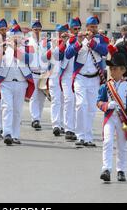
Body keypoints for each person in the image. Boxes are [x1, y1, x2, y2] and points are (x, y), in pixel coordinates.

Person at [66, 16, 109, 148]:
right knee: (80, 104)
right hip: (80, 77)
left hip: (95, 78)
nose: (93, 29)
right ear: (87, 27)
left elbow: (105, 51)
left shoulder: (101, 39)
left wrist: (92, 43)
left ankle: (88, 137)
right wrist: (79, 43)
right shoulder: (77, 38)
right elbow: (68, 54)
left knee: (91, 108)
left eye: (95, 27)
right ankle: (80, 136)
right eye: (91, 27)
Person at [97, 50, 127, 183]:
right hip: (110, 117)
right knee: (107, 142)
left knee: (122, 144)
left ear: (122, 70)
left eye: (114, 68)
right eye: (111, 68)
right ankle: (106, 169)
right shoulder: (106, 86)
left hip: (124, 119)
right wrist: (106, 105)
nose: (112, 71)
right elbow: (98, 102)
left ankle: (121, 170)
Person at [0, 24, 35, 146]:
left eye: (18, 37)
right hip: (6, 82)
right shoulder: (3, 47)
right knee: (7, 107)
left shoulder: (27, 47)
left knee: (17, 110)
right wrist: (3, 49)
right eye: (13, 37)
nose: (16, 39)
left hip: (21, 82)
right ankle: (7, 133)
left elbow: (29, 60)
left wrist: (16, 49)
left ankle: (15, 135)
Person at [43, 24, 69, 136]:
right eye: (60, 33)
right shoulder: (51, 43)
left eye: (64, 33)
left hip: (66, 76)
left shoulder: (70, 43)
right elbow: (47, 56)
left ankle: (63, 124)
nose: (61, 35)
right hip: (54, 75)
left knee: (65, 101)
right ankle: (56, 125)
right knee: (55, 100)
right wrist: (58, 44)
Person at [59, 17, 82, 142]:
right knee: (68, 100)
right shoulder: (65, 40)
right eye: (75, 29)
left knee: (78, 103)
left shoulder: (82, 40)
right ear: (70, 29)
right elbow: (59, 56)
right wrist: (63, 42)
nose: (77, 31)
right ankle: (69, 129)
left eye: (78, 28)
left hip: (79, 75)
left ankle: (77, 129)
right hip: (67, 75)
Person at [28, 20, 49, 131]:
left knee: (41, 98)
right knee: (34, 97)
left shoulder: (45, 42)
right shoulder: (27, 42)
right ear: (31, 29)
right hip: (33, 73)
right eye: (35, 29)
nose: (37, 31)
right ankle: (34, 119)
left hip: (43, 73)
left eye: (39, 29)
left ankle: (38, 118)